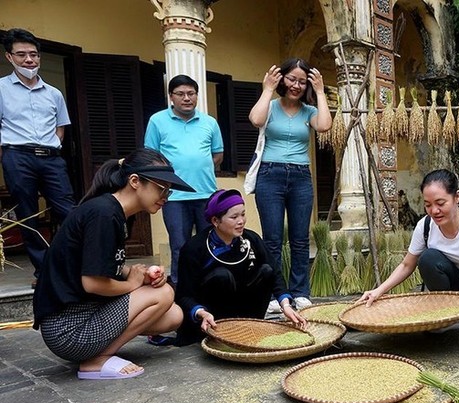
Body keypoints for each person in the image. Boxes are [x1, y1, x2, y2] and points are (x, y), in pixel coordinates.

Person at [32, 148, 192, 379]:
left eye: (168, 190)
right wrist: (132, 284)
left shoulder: (114, 212)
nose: (166, 196)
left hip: (85, 317)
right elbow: (92, 284)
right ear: (135, 181)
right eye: (161, 188)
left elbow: (104, 264)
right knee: (164, 293)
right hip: (68, 330)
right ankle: (97, 359)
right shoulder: (103, 214)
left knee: (174, 315)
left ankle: (99, 353)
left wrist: (138, 275)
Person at [359, 169, 459, 334]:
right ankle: (450, 314)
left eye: (440, 203)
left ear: (456, 197)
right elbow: (406, 265)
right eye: (428, 205)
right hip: (452, 287)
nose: (434, 211)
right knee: (428, 258)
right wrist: (378, 291)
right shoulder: (425, 226)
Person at [169, 189, 307, 346]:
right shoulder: (195, 248)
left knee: (266, 271)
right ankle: (219, 332)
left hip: (242, 309)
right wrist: (201, 312)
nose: (241, 221)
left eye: (242, 214)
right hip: (210, 317)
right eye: (234, 217)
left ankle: (251, 325)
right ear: (215, 221)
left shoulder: (251, 239)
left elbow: (275, 273)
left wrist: (286, 305)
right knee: (222, 276)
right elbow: (183, 295)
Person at [248, 58, 332, 313]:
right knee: (272, 240)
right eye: (292, 79)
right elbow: (255, 119)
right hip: (269, 174)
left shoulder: (308, 111)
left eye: (302, 81)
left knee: (299, 239)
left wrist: (319, 92)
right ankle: (275, 294)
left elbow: (325, 126)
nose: (296, 85)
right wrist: (266, 89)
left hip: (300, 176)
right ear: (282, 79)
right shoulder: (271, 106)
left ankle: (300, 292)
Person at [0, 28, 76, 285]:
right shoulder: (1, 89)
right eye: (21, 55)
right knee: (28, 214)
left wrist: (54, 144)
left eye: (33, 54)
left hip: (51, 157)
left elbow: (60, 126)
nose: (29, 60)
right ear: (9, 57)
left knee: (68, 211)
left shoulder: (54, 93)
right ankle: (43, 270)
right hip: (17, 156)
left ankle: (69, 265)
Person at [144, 74, 224, 285]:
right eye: (180, 94)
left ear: (197, 96)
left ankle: (209, 286)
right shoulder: (157, 121)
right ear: (171, 96)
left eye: (191, 93)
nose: (186, 98)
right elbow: (150, 158)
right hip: (174, 196)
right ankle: (181, 290)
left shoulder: (210, 123)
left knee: (209, 243)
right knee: (180, 245)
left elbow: (218, 155)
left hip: (206, 194)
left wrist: (198, 167)